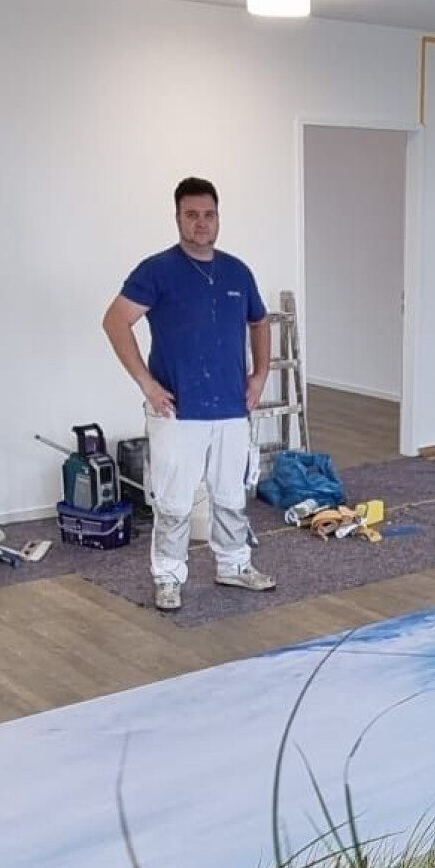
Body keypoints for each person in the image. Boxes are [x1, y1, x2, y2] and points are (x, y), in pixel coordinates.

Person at [102, 178, 278, 613]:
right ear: (178, 217)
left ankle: (234, 566)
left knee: (232, 496)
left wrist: (259, 377)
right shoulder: (157, 271)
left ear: (219, 217)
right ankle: (168, 576)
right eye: (192, 215)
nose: (201, 223)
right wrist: (147, 384)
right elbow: (115, 322)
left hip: (231, 408)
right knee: (175, 501)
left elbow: (259, 322)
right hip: (178, 411)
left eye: (209, 214)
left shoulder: (237, 271)